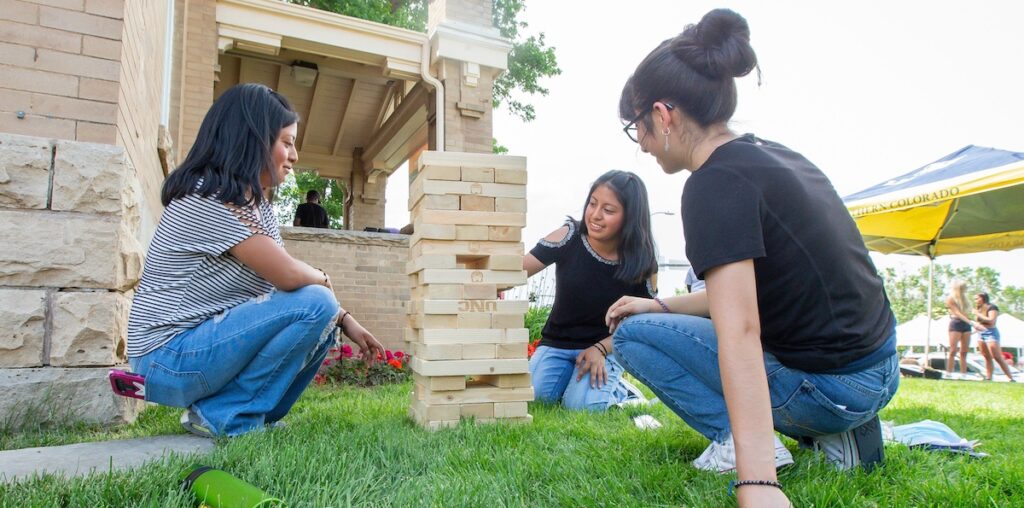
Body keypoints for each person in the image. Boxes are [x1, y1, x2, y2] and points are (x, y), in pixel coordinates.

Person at [605, 10, 899, 507]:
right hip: (878, 368)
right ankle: (839, 431)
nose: (645, 147)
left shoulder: (712, 184)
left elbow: (740, 330)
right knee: (645, 319)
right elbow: (753, 294)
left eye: (639, 130)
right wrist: (658, 304)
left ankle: (751, 444)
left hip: (834, 387)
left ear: (663, 115)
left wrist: (758, 481)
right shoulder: (776, 156)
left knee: (630, 336)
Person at [126, 83, 384, 437]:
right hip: (164, 358)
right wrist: (324, 279)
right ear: (252, 140)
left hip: (194, 351)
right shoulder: (207, 198)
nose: (294, 155)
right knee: (316, 303)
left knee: (323, 315)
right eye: (287, 142)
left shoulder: (255, 207)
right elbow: (289, 276)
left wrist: (344, 319)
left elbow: (281, 285)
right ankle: (223, 416)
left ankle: (249, 416)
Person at [524, 170, 657, 411]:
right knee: (534, 399)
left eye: (608, 210)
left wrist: (601, 349)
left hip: (605, 348)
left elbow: (641, 324)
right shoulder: (568, 236)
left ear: (630, 216)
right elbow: (516, 270)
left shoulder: (643, 262)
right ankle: (573, 384)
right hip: (557, 344)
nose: (595, 215)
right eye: (592, 204)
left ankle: (624, 392)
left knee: (582, 407)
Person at [974, 293, 1015, 382]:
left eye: (977, 298)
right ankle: (989, 378)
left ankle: (1010, 378)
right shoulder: (979, 309)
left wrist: (978, 314)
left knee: (997, 356)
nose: (975, 300)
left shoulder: (992, 307)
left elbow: (991, 320)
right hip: (981, 333)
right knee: (986, 356)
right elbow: (979, 321)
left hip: (991, 332)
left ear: (982, 298)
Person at [945, 280, 982, 374]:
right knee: (953, 350)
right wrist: (972, 323)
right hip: (956, 323)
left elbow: (969, 312)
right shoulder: (951, 298)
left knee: (964, 351)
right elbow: (957, 313)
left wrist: (975, 322)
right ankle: (949, 372)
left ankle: (963, 373)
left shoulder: (966, 300)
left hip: (966, 324)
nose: (966, 289)